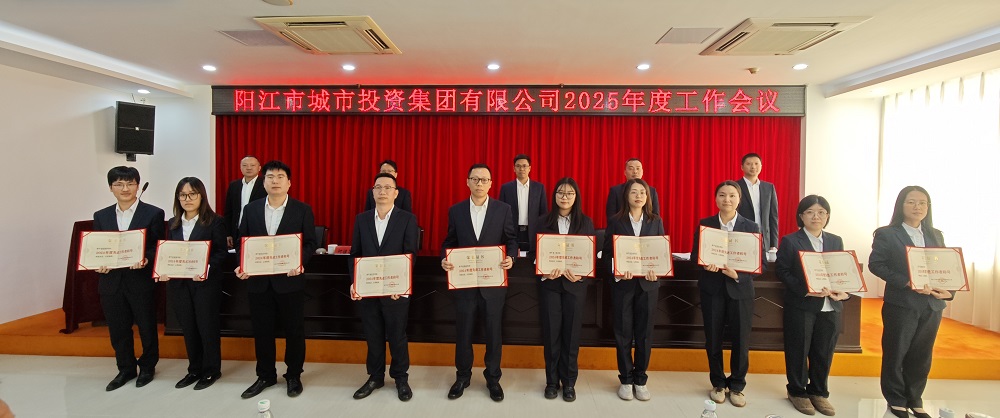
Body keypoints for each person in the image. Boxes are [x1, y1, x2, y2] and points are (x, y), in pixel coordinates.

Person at [235, 160, 318, 399]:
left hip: (290, 281)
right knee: (262, 331)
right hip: (258, 283)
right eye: (270, 177)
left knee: (294, 331)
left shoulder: (302, 210)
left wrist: (299, 262)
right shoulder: (250, 209)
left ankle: (293, 375)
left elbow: (310, 243)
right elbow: (243, 242)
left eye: (280, 177)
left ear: (289, 183)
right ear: (264, 182)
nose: (275, 181)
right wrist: (243, 264)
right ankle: (265, 375)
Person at [869, 186, 953, 418]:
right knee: (896, 351)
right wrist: (907, 282)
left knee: (922, 354)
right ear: (901, 205)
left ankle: (915, 398)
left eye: (923, 203)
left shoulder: (936, 235)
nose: (918, 207)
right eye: (911, 202)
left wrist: (949, 292)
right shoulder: (887, 234)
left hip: (932, 304)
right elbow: (876, 265)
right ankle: (896, 399)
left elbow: (947, 267)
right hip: (902, 303)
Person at [440, 163, 518, 402]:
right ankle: (462, 377)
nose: (480, 183)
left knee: (494, 334)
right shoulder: (456, 211)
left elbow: (511, 239)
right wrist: (444, 258)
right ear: (467, 182)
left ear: (491, 184)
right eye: (475, 179)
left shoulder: (503, 209)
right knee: (463, 333)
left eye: (484, 180)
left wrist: (511, 257)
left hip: (493, 285)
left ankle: (493, 378)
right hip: (465, 284)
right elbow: (449, 241)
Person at [690, 180, 763, 408]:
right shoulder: (706, 224)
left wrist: (738, 274)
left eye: (732, 195)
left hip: (740, 290)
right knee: (713, 338)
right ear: (715, 199)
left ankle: (738, 386)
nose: (727, 199)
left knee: (741, 339)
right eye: (722, 195)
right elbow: (694, 257)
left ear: (739, 199)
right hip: (712, 290)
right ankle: (718, 383)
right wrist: (705, 264)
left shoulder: (751, 227)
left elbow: (760, 263)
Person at [775, 195, 850, 416]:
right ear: (801, 216)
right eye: (810, 212)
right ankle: (797, 392)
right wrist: (804, 289)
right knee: (798, 349)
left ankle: (819, 392)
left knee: (824, 351)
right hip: (802, 303)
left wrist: (843, 291)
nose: (816, 217)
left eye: (821, 212)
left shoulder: (835, 240)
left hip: (830, 305)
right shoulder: (791, 241)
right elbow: (782, 271)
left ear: (827, 216)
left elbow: (841, 270)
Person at [92, 166, 165, 391]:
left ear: (137, 185)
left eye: (130, 183)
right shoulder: (101, 216)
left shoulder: (153, 213)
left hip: (139, 279)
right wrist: (98, 263)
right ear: (110, 188)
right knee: (118, 328)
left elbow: (157, 246)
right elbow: (97, 248)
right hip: (111, 281)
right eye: (119, 184)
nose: (125, 188)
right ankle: (125, 368)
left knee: (146, 326)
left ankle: (148, 367)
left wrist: (145, 258)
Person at [349, 173, 420, 402]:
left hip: (395, 291)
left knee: (397, 335)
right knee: (373, 334)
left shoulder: (407, 219)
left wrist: (401, 283)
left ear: (396, 193)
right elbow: (355, 254)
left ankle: (401, 378)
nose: (382, 191)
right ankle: (375, 377)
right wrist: (355, 282)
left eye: (388, 187)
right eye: (378, 187)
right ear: (372, 192)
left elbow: (411, 254)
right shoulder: (362, 219)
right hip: (368, 290)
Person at [157, 177, 228, 391]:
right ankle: (194, 369)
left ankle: (211, 370)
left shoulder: (215, 221)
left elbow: (221, 253)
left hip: (205, 284)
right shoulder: (173, 223)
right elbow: (168, 252)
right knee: (188, 327)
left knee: (207, 327)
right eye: (183, 195)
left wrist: (205, 269)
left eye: (192, 194)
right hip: (179, 285)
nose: (187, 199)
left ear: (201, 196)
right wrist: (163, 269)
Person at [531, 177, 595, 402]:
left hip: (575, 286)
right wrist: (543, 271)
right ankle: (551, 382)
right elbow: (534, 254)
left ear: (576, 197)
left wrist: (582, 273)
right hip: (550, 285)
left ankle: (569, 382)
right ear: (554, 196)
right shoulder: (542, 221)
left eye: (569, 193)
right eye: (560, 192)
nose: (564, 197)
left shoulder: (586, 222)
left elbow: (590, 255)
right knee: (551, 334)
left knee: (571, 335)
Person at [602, 178, 664, 401]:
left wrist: (657, 271)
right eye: (634, 192)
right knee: (623, 333)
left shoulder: (655, 220)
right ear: (626, 196)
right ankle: (626, 379)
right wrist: (618, 272)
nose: (638, 196)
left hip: (648, 285)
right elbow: (607, 253)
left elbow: (661, 252)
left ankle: (641, 379)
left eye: (642, 192)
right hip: (624, 285)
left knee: (645, 334)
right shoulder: (616, 221)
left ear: (648, 197)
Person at [499, 154, 547, 252]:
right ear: (514, 168)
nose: (521, 169)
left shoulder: (539, 188)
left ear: (529, 168)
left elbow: (543, 212)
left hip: (533, 231)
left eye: (524, 166)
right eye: (518, 166)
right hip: (512, 232)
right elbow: (501, 212)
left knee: (531, 258)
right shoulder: (506, 188)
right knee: (513, 257)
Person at [735, 153, 779, 254]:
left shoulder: (769, 188)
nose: (753, 167)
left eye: (756, 163)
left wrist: (774, 244)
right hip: (741, 236)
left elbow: (773, 217)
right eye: (749, 164)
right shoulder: (735, 186)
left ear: (761, 166)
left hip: (764, 238)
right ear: (742, 167)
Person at [223, 156, 266, 248]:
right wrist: (228, 233)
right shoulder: (234, 185)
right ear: (240, 168)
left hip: (258, 231)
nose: (249, 168)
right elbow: (228, 211)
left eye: (252, 165)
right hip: (237, 231)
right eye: (245, 165)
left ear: (259, 168)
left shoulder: (265, 184)